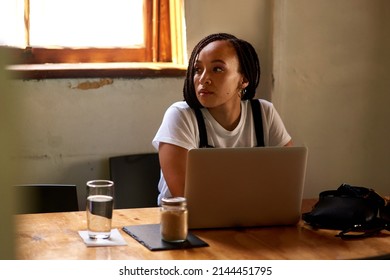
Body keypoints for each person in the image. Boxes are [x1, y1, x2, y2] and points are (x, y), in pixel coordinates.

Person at [152, 33, 292, 205]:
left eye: (217, 69)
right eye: (198, 70)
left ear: (244, 79)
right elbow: (186, 198)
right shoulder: (180, 116)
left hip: (252, 221)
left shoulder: (264, 113)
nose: (203, 79)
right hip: (182, 226)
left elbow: (287, 184)